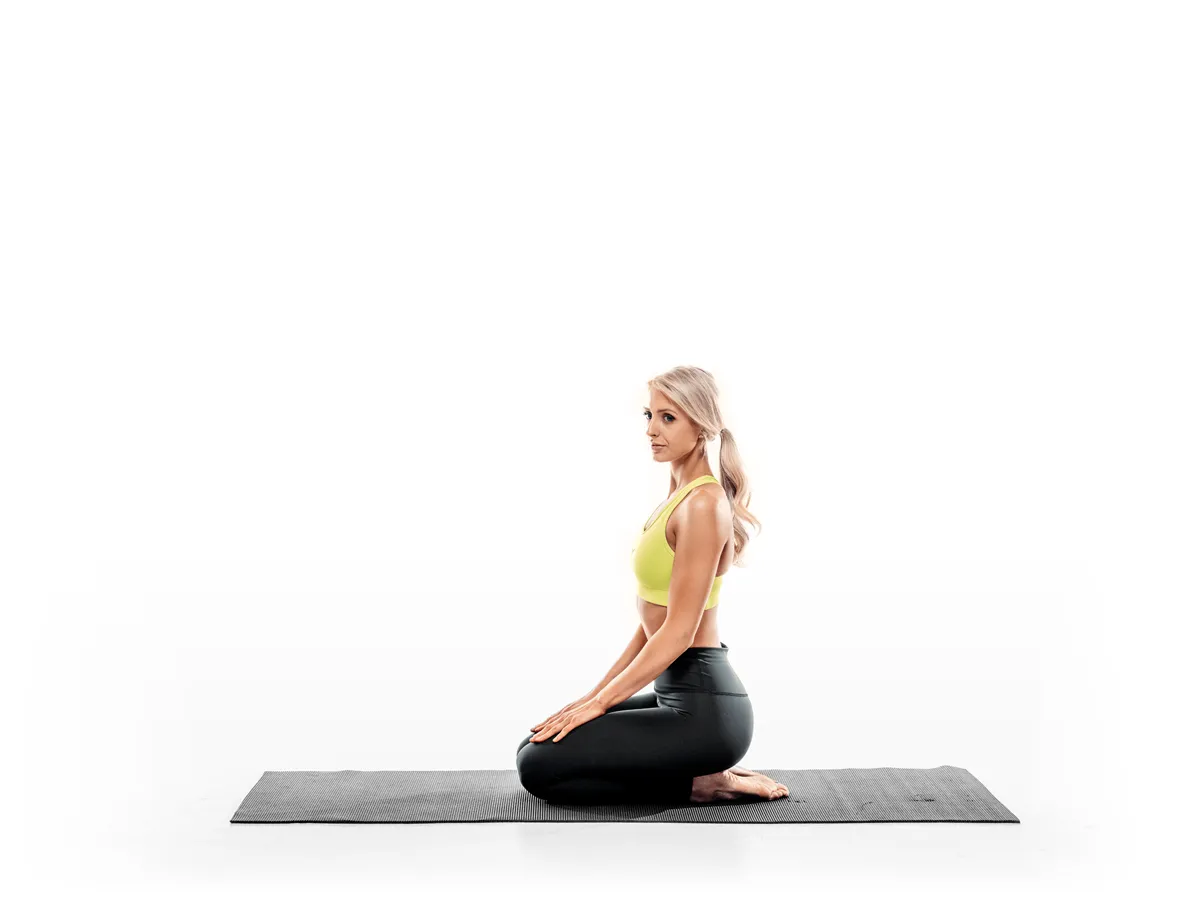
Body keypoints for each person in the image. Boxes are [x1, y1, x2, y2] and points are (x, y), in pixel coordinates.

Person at [515, 365, 789, 805]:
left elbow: (679, 632)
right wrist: (592, 697)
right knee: (535, 747)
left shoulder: (703, 504)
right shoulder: (676, 500)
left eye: (668, 418)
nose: (651, 430)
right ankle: (700, 777)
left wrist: (600, 704)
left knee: (538, 768)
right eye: (649, 415)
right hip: (673, 692)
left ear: (700, 426)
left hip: (704, 710)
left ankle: (702, 782)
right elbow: (648, 627)